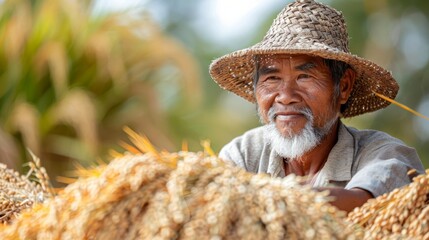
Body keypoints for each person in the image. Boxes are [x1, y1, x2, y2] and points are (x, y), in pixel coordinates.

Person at [209, 0, 425, 212]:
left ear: (344, 87)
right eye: (272, 78)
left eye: (304, 77)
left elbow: (370, 203)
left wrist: (268, 198)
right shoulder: (244, 154)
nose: (285, 97)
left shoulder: (381, 153)